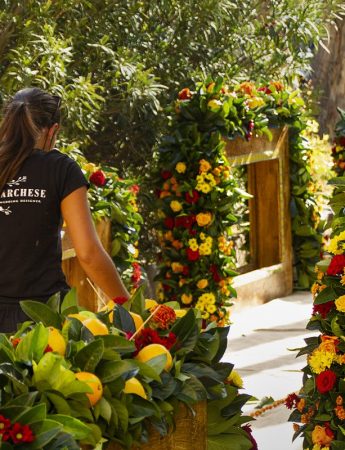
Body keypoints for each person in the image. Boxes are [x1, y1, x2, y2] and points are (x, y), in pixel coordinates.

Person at [0, 87, 130, 333]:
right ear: (53, 130)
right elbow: (89, 253)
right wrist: (130, 309)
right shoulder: (61, 169)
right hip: (44, 322)